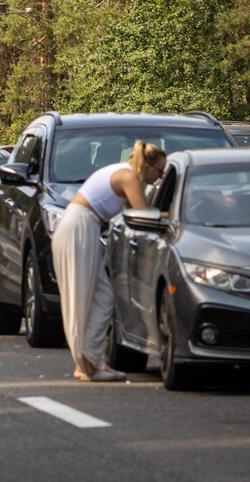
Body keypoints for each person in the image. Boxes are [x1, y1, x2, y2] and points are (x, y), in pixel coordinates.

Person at [53, 140, 166, 382]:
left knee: (101, 297)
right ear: (147, 165)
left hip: (82, 226)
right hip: (80, 226)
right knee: (82, 297)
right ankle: (86, 364)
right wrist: (175, 215)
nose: (159, 177)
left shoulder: (123, 172)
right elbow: (143, 214)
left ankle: (89, 362)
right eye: (160, 171)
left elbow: (130, 212)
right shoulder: (129, 177)